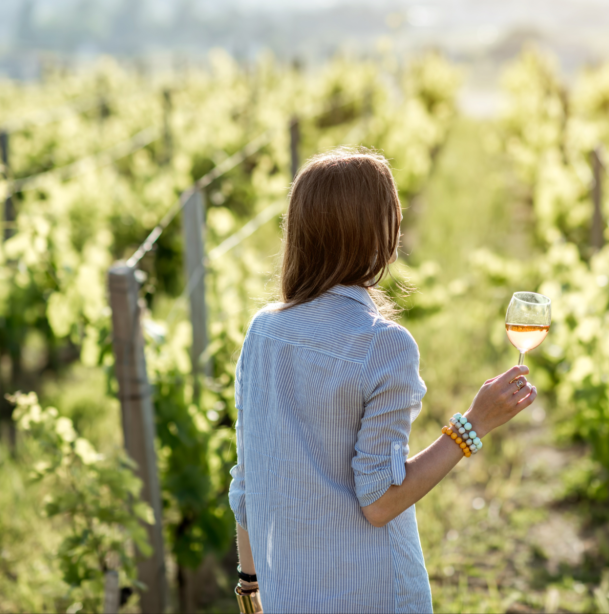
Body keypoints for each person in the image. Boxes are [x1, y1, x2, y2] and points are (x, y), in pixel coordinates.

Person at [229, 148, 538, 613]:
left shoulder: (262, 333)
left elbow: (247, 483)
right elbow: (380, 501)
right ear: (380, 236)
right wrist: (474, 425)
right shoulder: (384, 345)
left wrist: (250, 591)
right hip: (374, 596)